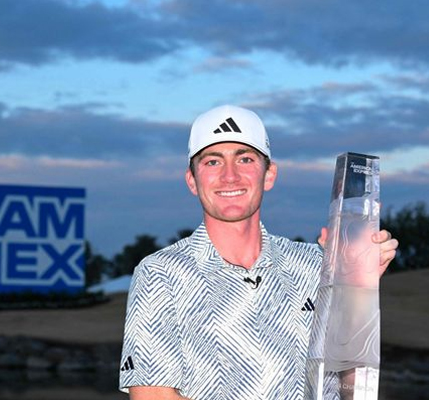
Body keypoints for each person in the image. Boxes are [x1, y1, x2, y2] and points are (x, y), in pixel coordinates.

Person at [119, 105, 398, 400]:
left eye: (245, 159)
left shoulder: (315, 266)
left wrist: (356, 291)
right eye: (213, 162)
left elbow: (351, 384)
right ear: (192, 180)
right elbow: (152, 396)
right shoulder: (160, 273)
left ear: (269, 175)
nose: (230, 176)